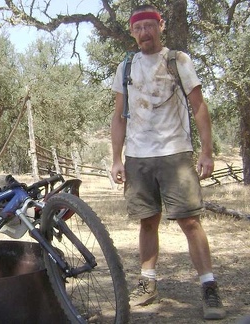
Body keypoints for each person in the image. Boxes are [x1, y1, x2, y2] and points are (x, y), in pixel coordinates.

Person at [110, 4, 226, 320]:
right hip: (138, 157)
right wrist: (116, 159)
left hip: (175, 152)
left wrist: (206, 151)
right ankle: (148, 284)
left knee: (190, 221)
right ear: (132, 32)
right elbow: (119, 116)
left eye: (150, 25)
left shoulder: (178, 61)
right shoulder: (126, 67)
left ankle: (209, 287)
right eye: (138, 28)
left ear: (161, 27)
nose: (144, 32)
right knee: (147, 220)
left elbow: (199, 107)